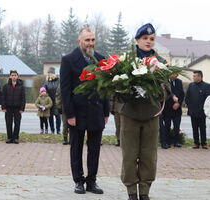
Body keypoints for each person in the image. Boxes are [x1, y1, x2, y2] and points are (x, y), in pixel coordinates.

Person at [119, 23, 170, 200]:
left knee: (149, 155)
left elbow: (168, 89)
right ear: (137, 40)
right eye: (145, 39)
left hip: (151, 115)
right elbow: (115, 85)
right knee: (129, 155)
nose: (148, 42)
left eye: (151, 39)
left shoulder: (161, 63)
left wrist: (158, 91)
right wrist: (124, 93)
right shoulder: (126, 61)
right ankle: (132, 192)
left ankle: (145, 192)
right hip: (130, 114)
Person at [60, 27, 110, 195]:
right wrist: (70, 114)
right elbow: (65, 90)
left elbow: (105, 88)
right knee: (76, 148)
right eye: (87, 40)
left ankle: (92, 181)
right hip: (77, 113)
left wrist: (106, 112)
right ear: (79, 41)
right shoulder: (68, 60)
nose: (90, 43)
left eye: (93, 40)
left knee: (95, 148)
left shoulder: (101, 59)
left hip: (96, 111)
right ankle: (79, 181)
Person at [185, 70, 209, 149]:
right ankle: (196, 143)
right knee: (194, 128)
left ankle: (204, 143)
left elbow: (208, 100)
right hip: (193, 111)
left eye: (195, 76)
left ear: (200, 77)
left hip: (202, 112)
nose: (193, 77)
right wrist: (189, 106)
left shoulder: (207, 86)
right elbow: (187, 98)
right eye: (193, 76)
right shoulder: (191, 85)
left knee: (202, 128)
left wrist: (206, 109)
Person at [1, 70, 26, 144]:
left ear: (17, 76)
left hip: (17, 108)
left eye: (15, 75)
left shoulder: (21, 87)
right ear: (10, 76)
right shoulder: (5, 86)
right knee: (8, 123)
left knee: (17, 123)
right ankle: (9, 137)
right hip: (8, 108)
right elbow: (3, 98)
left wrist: (22, 108)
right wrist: (3, 107)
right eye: (12, 75)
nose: (14, 76)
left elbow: (23, 98)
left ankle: (16, 138)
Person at [161, 74, 184, 148]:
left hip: (177, 109)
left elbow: (182, 94)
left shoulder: (179, 82)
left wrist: (178, 103)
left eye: (176, 74)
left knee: (177, 126)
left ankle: (176, 142)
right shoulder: (166, 82)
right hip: (168, 109)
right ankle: (167, 142)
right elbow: (166, 95)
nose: (174, 75)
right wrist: (172, 105)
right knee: (167, 125)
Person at [44, 67, 61, 134]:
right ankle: (52, 130)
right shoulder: (47, 82)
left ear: (53, 74)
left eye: (49, 73)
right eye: (47, 73)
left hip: (57, 101)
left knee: (57, 116)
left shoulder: (59, 81)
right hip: (50, 101)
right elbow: (44, 89)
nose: (48, 75)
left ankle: (58, 130)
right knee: (50, 116)